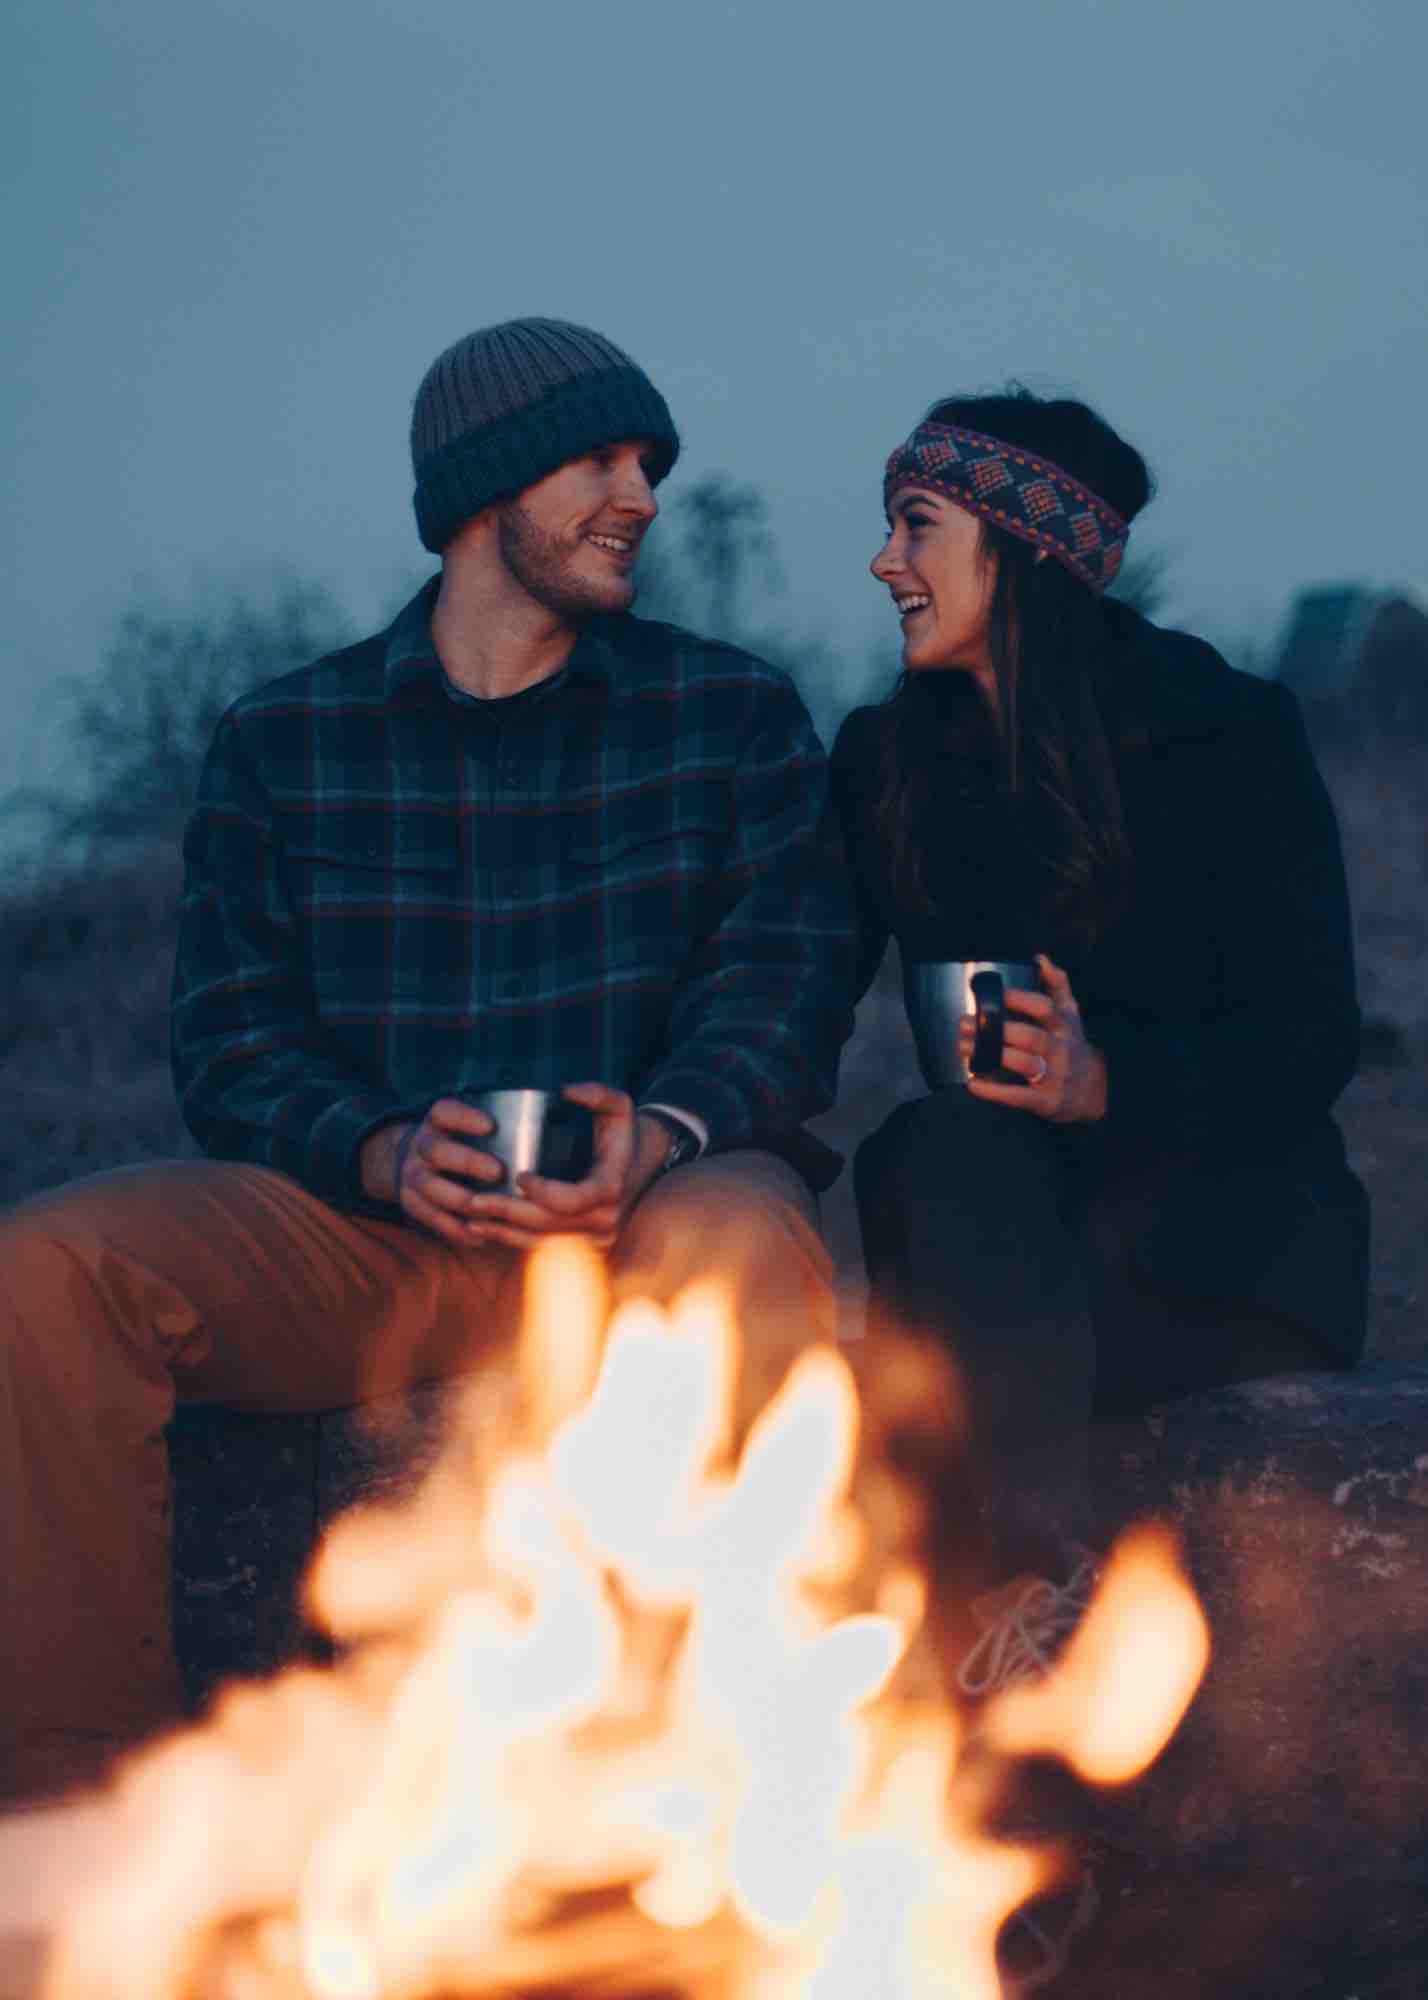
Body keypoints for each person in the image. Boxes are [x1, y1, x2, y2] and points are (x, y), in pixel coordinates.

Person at [0, 317, 856, 1806]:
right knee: (47, 1271)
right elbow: (232, 1037)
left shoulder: (730, 715)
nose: (643, 494)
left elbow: (785, 991)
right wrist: (382, 1150)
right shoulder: (287, 740)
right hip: (373, 1233)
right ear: (486, 491)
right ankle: (70, 1806)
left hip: (648, 1223)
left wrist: (659, 1133)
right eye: (603, 459)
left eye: (649, 463)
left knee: (750, 1238)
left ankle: (738, 1790)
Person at [831, 386, 1369, 1692]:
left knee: (971, 1173)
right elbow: (794, 990)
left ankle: (1017, 1602)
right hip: (1000, 1247)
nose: (882, 560)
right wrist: (675, 1129)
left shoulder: (1226, 733)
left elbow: (1309, 1041)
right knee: (945, 1141)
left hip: (1214, 1256)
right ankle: (1015, 1604)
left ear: (1024, 548)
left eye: (916, 525)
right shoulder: (883, 756)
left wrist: (1107, 1080)